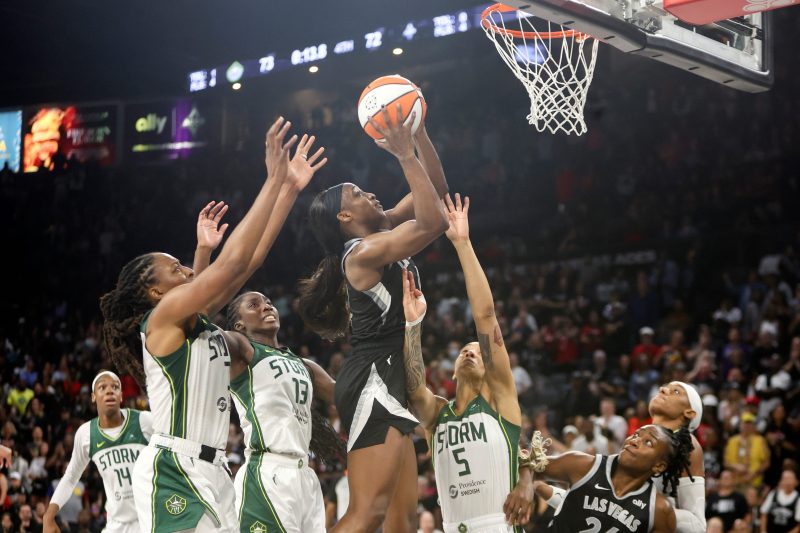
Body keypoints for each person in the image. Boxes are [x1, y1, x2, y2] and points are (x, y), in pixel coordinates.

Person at [99, 117, 323, 532]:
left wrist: (290, 189)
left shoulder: (195, 323)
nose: (184, 268)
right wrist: (271, 181)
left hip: (215, 469)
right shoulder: (160, 320)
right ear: (152, 291)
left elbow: (248, 262)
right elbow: (232, 265)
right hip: (174, 468)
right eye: (174, 267)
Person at [297, 104, 449, 532]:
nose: (371, 195)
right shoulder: (363, 252)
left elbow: (435, 191)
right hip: (373, 382)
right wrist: (402, 156)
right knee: (367, 513)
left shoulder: (384, 233)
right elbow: (434, 221)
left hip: (391, 378)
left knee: (401, 520)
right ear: (345, 218)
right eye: (359, 195)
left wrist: (418, 134)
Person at [401, 194, 523, 532]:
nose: (471, 352)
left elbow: (485, 317)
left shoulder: (499, 400)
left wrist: (463, 244)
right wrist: (412, 325)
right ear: (452, 369)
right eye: (463, 351)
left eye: (479, 352)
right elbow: (413, 388)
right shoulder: (438, 414)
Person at [223, 290, 343, 533]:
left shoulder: (304, 365)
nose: (266, 307)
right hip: (268, 471)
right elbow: (204, 330)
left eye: (268, 303)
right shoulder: (242, 351)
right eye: (254, 305)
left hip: (305, 476)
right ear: (239, 324)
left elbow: (344, 395)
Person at [527, 380, 707, 532]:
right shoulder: (644, 433)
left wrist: (646, 513)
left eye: (676, 391)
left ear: (689, 413)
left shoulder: (687, 446)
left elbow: (697, 525)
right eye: (665, 386)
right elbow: (601, 498)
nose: (663, 389)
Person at [43, 371, 151, 533]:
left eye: (115, 387)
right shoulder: (86, 433)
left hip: (150, 519)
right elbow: (71, 477)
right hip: (117, 524)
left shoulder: (144, 421)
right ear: (93, 397)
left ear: (121, 396)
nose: (109, 391)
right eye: (102, 387)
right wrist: (48, 516)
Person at [532, 425, 692, 533]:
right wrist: (525, 486)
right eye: (636, 434)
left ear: (659, 466)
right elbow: (528, 465)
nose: (634, 441)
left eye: (648, 442)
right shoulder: (583, 465)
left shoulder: (660, 511)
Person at [759, 469, 800, 533]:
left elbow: (798, 525)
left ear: (796, 481)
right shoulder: (773, 494)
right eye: (785, 478)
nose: (787, 481)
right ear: (781, 480)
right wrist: (763, 531)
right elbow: (764, 513)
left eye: (790, 478)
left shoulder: (798, 498)